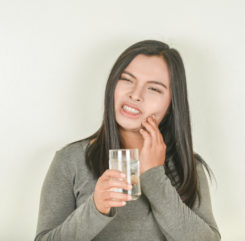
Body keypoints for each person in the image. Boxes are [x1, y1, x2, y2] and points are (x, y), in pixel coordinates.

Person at [35, 40, 221, 241]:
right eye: (127, 79)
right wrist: (96, 208)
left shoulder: (187, 166)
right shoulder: (70, 160)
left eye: (154, 89)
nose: (135, 95)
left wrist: (154, 177)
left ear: (171, 105)